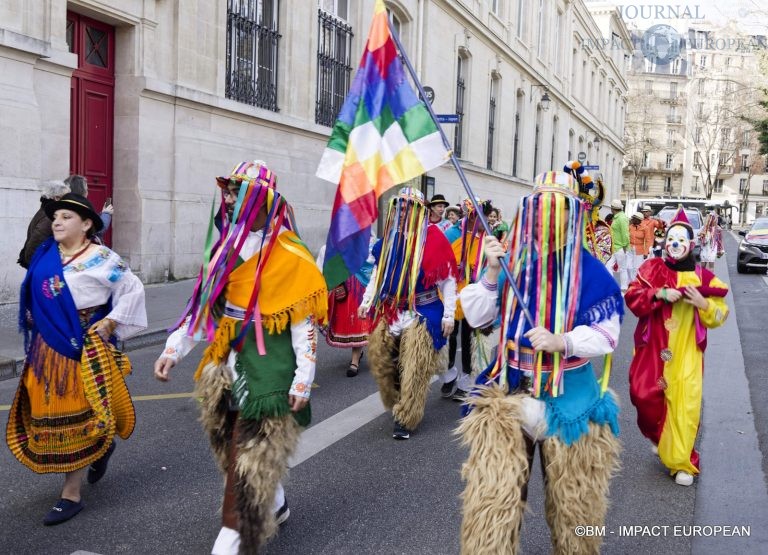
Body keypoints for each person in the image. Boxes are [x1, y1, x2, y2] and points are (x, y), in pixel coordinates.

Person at [153, 161, 328, 553]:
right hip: (227, 368)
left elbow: (305, 327)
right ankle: (277, 502)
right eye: (227, 192)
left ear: (260, 199)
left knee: (248, 468)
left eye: (237, 192)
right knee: (237, 449)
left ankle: (234, 535)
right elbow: (204, 310)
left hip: (270, 373)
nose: (229, 199)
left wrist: (303, 379)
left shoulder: (292, 255)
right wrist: (173, 350)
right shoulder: (224, 249)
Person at [456, 171, 623, 554]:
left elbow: (607, 332)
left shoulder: (589, 270)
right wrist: (493, 272)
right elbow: (479, 319)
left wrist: (562, 340)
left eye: (555, 210)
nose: (545, 219)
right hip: (510, 396)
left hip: (571, 401)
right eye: (538, 209)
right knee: (492, 509)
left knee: (574, 512)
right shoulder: (511, 261)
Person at [7, 193, 146, 525]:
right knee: (46, 415)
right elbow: (33, 284)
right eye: (55, 217)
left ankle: (71, 494)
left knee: (74, 419)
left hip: (82, 347)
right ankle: (102, 445)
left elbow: (133, 290)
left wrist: (111, 321)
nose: (57, 221)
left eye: (67, 216)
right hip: (45, 350)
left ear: (86, 225)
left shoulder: (103, 259)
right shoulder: (44, 256)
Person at [627, 208, 729, 487]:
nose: (675, 245)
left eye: (681, 240)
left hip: (686, 355)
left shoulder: (702, 279)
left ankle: (683, 462)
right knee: (644, 397)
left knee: (684, 405)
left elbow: (720, 316)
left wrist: (704, 304)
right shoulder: (651, 270)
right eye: (671, 239)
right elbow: (633, 298)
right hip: (654, 352)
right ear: (665, 241)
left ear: (691, 244)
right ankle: (660, 436)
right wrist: (658, 293)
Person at [357, 187, 457, 440]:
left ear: (418, 211)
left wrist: (448, 314)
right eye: (400, 208)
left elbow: (447, 280)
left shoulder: (434, 238)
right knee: (384, 360)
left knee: (414, 365)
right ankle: (397, 397)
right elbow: (378, 274)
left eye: (408, 208)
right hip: (391, 309)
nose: (403, 213)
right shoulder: (390, 239)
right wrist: (367, 300)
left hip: (423, 310)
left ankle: (406, 416)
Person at [443, 197, 494, 400]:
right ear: (471, 217)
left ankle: (467, 380)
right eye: (480, 218)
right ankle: (448, 376)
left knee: (470, 338)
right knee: (449, 337)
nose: (484, 223)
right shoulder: (452, 234)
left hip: (475, 298)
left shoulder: (488, 239)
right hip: (452, 295)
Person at [316, 234, 375, 377]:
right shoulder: (333, 242)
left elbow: (373, 258)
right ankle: (357, 355)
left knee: (358, 324)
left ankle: (355, 359)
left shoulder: (367, 237)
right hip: (342, 287)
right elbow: (321, 268)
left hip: (360, 287)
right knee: (347, 322)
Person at [17, 180, 71, 268]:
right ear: (56, 198)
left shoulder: (46, 211)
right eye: (66, 198)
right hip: (41, 266)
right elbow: (35, 242)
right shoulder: (49, 217)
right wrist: (36, 266)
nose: (68, 201)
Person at [609, 199, 630, 292]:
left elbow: (625, 233)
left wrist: (625, 247)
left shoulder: (622, 218)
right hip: (614, 246)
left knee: (622, 268)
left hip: (620, 247)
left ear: (613, 208)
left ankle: (624, 287)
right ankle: (610, 285)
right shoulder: (617, 217)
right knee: (608, 266)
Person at [628, 211, 653, 281]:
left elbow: (648, 241)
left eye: (633, 218)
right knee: (629, 266)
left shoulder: (645, 228)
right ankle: (631, 280)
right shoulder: (630, 227)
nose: (632, 219)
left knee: (636, 267)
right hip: (629, 249)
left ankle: (635, 282)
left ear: (638, 220)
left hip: (640, 250)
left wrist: (646, 252)